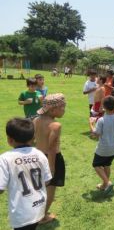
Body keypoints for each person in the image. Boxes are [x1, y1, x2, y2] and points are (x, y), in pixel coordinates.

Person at [0, 118, 52, 230]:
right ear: (33, 138)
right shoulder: (40, 154)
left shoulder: (5, 159)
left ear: (10, 140)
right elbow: (47, 180)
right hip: (39, 206)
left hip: (21, 211)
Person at [33, 93, 66, 224]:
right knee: (50, 188)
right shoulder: (55, 125)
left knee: (40, 186)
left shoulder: (36, 120)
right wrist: (51, 168)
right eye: (62, 107)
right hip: (51, 159)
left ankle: (38, 210)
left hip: (38, 156)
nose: (64, 110)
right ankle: (42, 217)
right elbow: (52, 148)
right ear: (52, 110)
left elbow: (33, 140)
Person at [91, 96, 114, 194]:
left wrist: (91, 123)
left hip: (103, 149)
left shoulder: (101, 120)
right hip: (113, 149)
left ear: (103, 107)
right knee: (106, 165)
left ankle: (107, 182)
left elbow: (96, 134)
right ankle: (104, 185)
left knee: (96, 165)